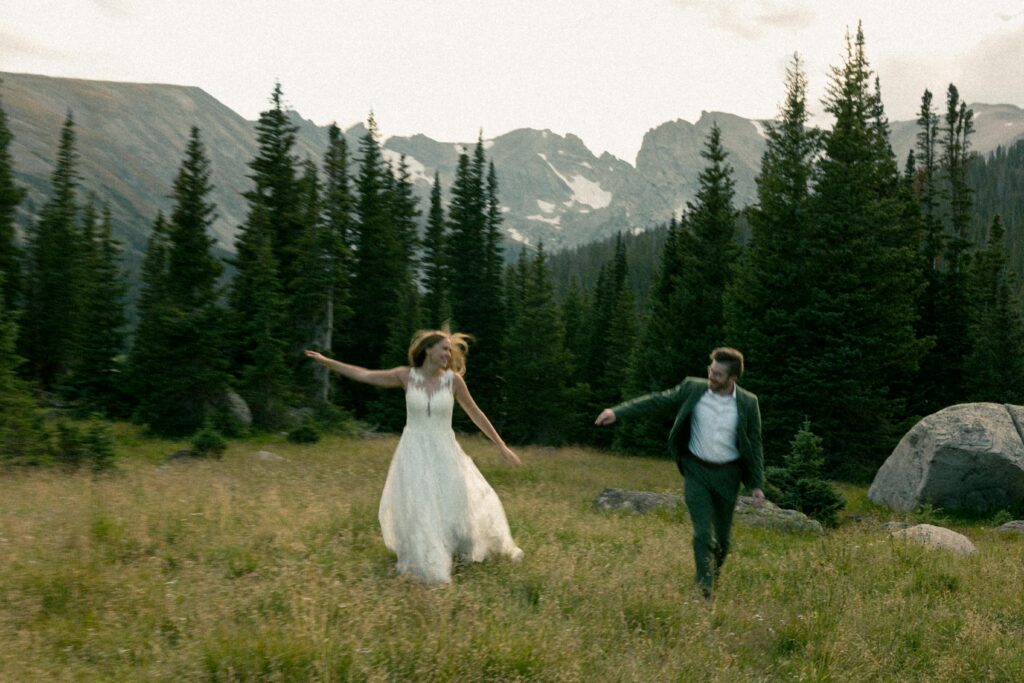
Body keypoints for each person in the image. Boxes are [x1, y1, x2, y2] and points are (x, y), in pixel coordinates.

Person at [304, 329, 523, 584]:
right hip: (414, 451)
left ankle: (461, 551)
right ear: (428, 350)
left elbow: (476, 413)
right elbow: (365, 375)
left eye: (450, 350)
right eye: (443, 348)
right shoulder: (405, 376)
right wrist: (326, 361)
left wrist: (501, 445)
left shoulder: (453, 382)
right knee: (421, 505)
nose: (448, 354)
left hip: (445, 450)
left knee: (454, 500)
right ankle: (429, 559)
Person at [595, 347, 764, 600]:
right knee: (702, 533)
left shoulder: (748, 403)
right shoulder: (693, 388)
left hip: (728, 476)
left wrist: (757, 485)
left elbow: (755, 443)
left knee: (723, 541)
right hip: (696, 471)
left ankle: (712, 574)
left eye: (717, 374)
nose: (710, 376)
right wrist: (616, 412)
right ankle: (704, 590)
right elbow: (657, 400)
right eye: (710, 370)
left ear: (732, 378)